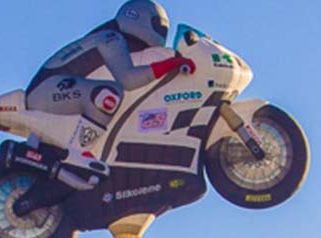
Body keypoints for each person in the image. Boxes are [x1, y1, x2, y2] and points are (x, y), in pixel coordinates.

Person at [24, 1, 194, 180]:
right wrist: (171, 64)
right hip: (46, 89)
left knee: (113, 98)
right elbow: (128, 79)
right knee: (107, 94)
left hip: (58, 92)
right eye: (158, 26)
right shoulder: (110, 37)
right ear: (137, 16)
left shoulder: (114, 39)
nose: (161, 33)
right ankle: (77, 153)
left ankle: (78, 155)